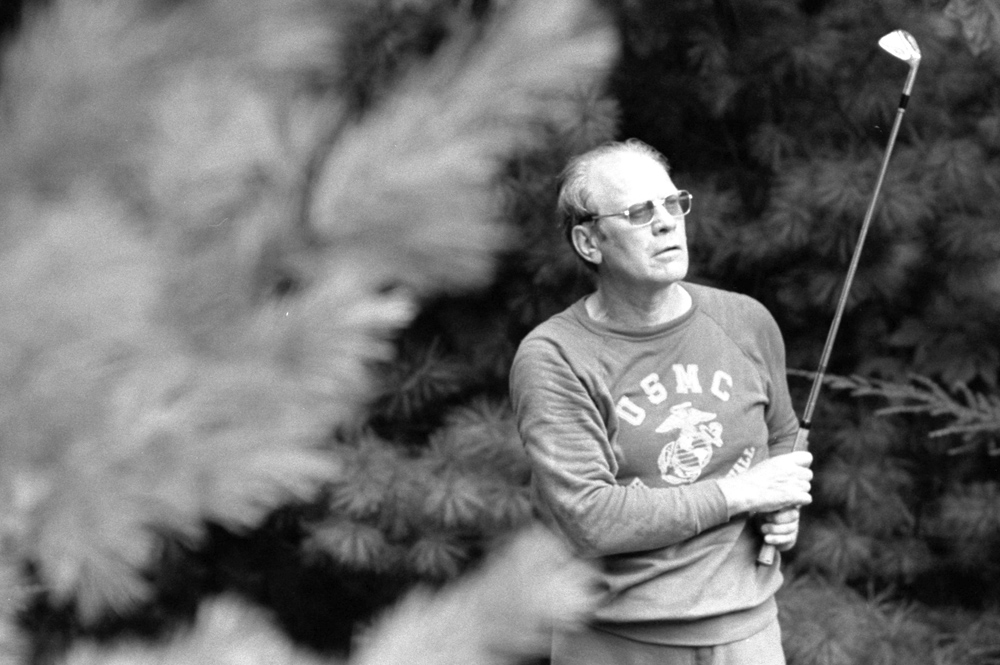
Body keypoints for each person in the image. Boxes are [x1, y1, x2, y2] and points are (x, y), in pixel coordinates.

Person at [509, 139, 813, 664]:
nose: (667, 222)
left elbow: (783, 433)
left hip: (748, 636)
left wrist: (782, 503)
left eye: (673, 203)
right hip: (614, 642)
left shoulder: (745, 320)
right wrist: (743, 493)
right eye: (639, 212)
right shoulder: (555, 356)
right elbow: (590, 518)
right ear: (589, 242)